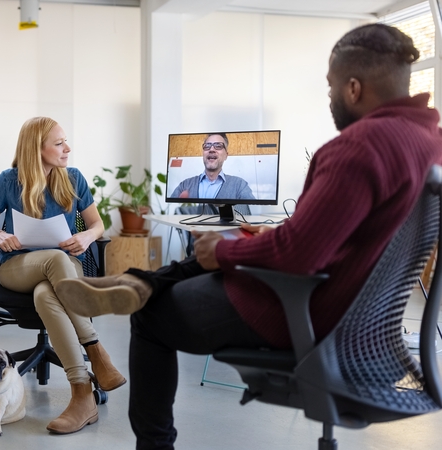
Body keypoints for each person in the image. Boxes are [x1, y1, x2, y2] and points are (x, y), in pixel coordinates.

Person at [56, 23, 442, 450]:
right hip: (365, 319)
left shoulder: (360, 146)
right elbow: (349, 236)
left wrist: (228, 249)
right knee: (214, 253)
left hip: (309, 310)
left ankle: (153, 438)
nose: (329, 97)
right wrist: (253, 241)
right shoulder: (430, 141)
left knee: (152, 315)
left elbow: (299, 255)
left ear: (354, 88)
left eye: (331, 87)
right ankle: (136, 280)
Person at [0, 116, 126, 434]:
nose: (67, 148)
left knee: (47, 292)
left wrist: (86, 237)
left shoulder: (72, 178)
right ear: (37, 148)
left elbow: (98, 225)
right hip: (16, 267)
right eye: (59, 143)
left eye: (65, 141)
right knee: (54, 261)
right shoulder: (8, 180)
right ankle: (96, 352)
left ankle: (82, 394)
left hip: (63, 267)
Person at [170, 133, 255, 215]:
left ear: (226, 155)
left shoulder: (239, 185)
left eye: (218, 146)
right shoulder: (185, 185)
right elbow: (172, 212)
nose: (211, 149)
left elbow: (251, 214)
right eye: (207, 146)